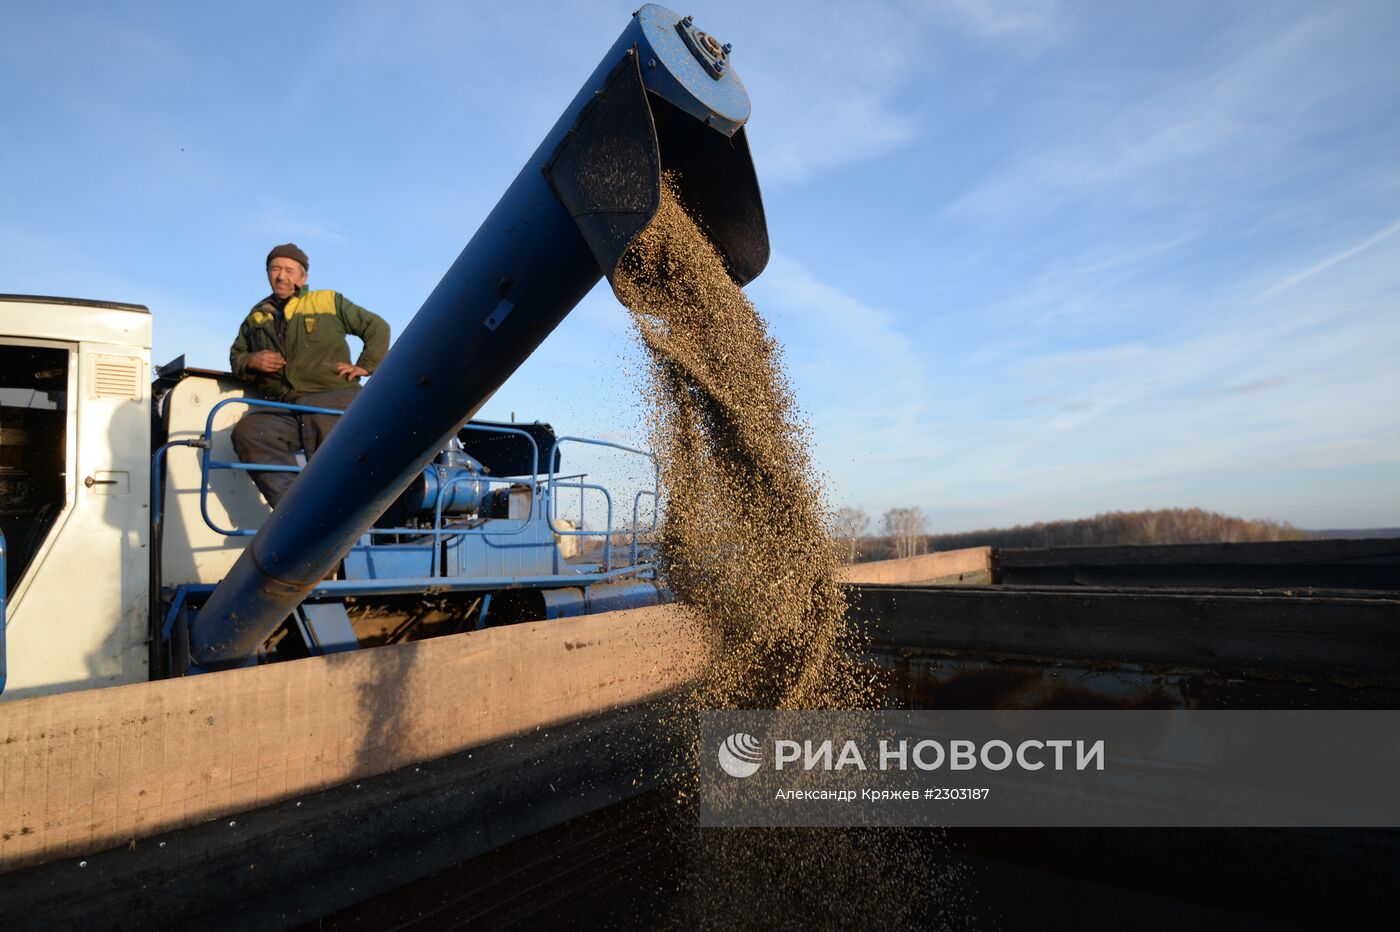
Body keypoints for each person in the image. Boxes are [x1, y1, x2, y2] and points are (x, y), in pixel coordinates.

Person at [230, 243, 390, 507]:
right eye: (275, 269)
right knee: (250, 431)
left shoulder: (327, 300)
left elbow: (377, 327)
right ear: (267, 273)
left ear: (303, 277)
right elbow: (237, 355)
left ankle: (334, 536)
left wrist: (365, 366)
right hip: (284, 406)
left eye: (289, 270)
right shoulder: (256, 316)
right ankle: (292, 512)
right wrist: (251, 361)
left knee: (331, 472)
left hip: (332, 398)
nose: (282, 276)